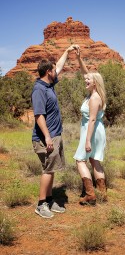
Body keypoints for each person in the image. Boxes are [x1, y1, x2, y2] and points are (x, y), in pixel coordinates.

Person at [32, 44, 78, 218]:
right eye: (53, 70)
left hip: (54, 135)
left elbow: (59, 65)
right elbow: (38, 116)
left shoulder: (49, 85)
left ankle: (50, 200)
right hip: (45, 137)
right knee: (47, 169)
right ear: (48, 72)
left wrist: (67, 51)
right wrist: (48, 137)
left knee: (51, 169)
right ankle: (41, 204)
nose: (56, 71)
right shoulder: (39, 90)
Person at [73, 46, 107, 206]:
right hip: (98, 131)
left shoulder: (94, 98)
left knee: (80, 160)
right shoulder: (95, 93)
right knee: (95, 160)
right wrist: (79, 58)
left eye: (89, 80)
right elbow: (86, 73)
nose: (86, 81)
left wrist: (87, 141)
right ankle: (102, 194)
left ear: (95, 83)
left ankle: (90, 194)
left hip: (91, 131)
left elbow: (92, 120)